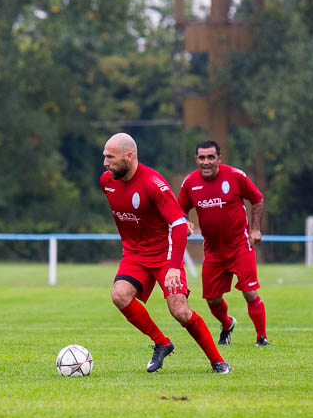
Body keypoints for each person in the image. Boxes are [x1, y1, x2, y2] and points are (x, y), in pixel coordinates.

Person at [101, 133, 230, 374]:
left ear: (129, 156)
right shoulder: (106, 182)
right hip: (134, 255)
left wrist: (173, 267)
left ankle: (217, 361)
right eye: (105, 157)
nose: (105, 163)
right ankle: (162, 343)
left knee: (180, 311)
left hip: (164, 255)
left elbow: (179, 225)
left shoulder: (153, 184)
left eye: (111, 157)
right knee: (119, 295)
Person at [178, 140, 269, 347]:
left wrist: (255, 229)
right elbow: (180, 209)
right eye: (202, 157)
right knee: (212, 299)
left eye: (211, 157)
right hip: (212, 251)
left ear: (219, 158)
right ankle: (228, 324)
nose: (206, 162)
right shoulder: (190, 183)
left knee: (249, 292)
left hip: (240, 246)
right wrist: (185, 222)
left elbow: (257, 199)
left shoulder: (235, 176)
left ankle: (261, 337)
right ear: (196, 159)